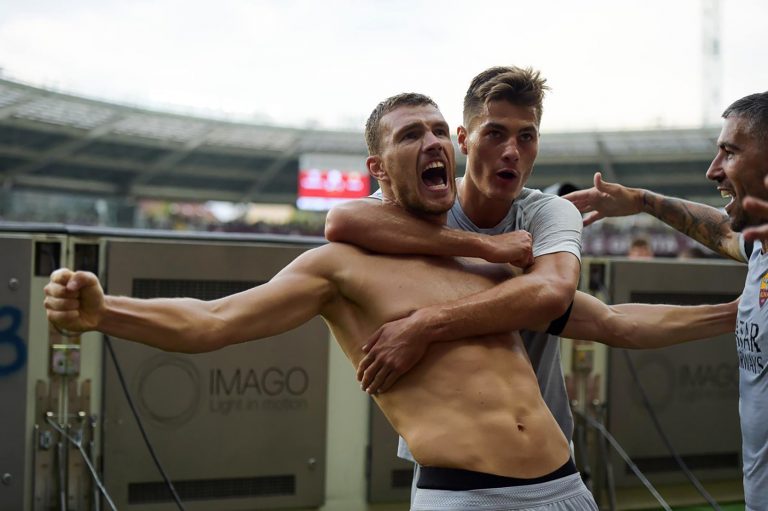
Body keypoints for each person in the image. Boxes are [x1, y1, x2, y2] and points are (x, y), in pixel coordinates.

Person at [45, 93, 736, 511]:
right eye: (411, 135)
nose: (433, 141)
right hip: (467, 497)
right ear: (377, 169)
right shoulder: (340, 266)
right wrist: (106, 313)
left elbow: (611, 321)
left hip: (566, 488)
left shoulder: (485, 256)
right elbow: (213, 320)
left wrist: (738, 314)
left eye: (438, 130)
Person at [324, 66, 583, 491]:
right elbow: (341, 220)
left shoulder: (548, 212)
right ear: (463, 140)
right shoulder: (425, 206)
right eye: (495, 133)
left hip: (546, 453)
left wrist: (426, 325)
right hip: (449, 460)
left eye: (526, 136)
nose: (512, 151)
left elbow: (552, 292)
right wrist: (486, 246)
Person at [563, 91, 768, 511]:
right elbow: (721, 232)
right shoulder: (759, 249)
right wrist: (642, 200)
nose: (713, 170)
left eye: (730, 152)